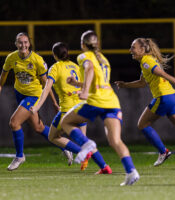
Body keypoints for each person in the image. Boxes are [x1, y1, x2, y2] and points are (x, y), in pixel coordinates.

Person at [115, 38, 175, 168]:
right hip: (173, 96)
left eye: (133, 47)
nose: (130, 50)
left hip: (163, 97)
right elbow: (142, 82)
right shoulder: (147, 61)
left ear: (142, 49)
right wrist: (125, 85)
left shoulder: (147, 61)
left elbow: (162, 73)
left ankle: (163, 152)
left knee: (142, 124)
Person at [60, 30, 140, 186]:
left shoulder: (84, 56)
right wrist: (77, 84)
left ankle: (86, 144)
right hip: (112, 102)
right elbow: (98, 81)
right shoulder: (103, 59)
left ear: (83, 44)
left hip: (96, 101)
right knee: (115, 140)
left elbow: (89, 70)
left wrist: (83, 92)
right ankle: (131, 172)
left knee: (66, 123)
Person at [0, 32, 72, 171]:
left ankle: (19, 156)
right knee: (39, 127)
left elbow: (47, 84)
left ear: (29, 44)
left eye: (25, 42)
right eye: (20, 42)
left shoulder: (37, 60)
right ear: (16, 44)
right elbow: (3, 75)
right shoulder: (11, 57)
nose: (23, 45)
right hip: (20, 94)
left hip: (34, 96)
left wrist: (54, 102)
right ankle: (64, 145)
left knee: (14, 122)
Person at [30, 42, 112, 174]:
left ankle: (82, 153)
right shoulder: (76, 66)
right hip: (82, 108)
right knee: (85, 141)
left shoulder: (55, 68)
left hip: (67, 111)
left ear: (54, 55)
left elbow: (46, 89)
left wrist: (37, 106)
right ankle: (104, 167)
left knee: (53, 137)